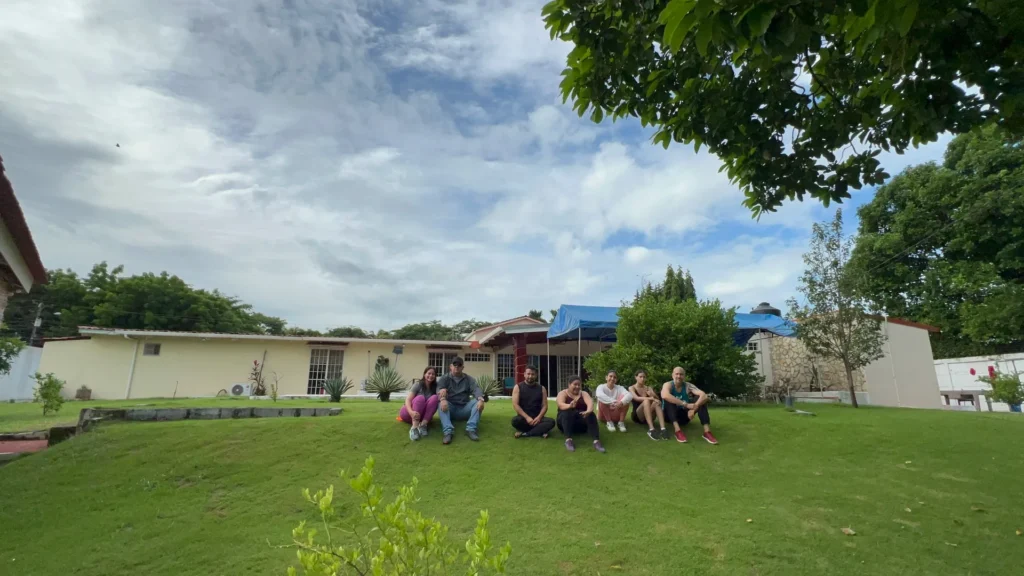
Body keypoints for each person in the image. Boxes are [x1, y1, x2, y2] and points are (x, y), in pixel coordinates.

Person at [661, 366, 718, 444]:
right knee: (669, 399)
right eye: (676, 374)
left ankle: (707, 432)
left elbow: (704, 395)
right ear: (672, 375)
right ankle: (678, 431)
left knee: (701, 399)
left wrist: (694, 408)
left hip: (684, 417)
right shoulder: (668, 385)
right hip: (668, 416)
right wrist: (685, 404)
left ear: (684, 376)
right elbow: (665, 395)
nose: (678, 376)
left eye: (681, 374)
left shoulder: (688, 386)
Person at [437, 356, 485, 444]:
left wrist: (481, 399)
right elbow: (438, 389)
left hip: (464, 408)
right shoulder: (444, 378)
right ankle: (448, 431)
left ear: (462, 367)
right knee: (441, 403)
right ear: (450, 366)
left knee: (478, 402)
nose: (457, 367)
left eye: (459, 365)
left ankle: (471, 429)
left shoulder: (469, 379)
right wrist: (442, 398)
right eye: (454, 365)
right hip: (450, 409)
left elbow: (476, 389)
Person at [555, 375, 605, 453]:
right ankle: (568, 440)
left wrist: (588, 411)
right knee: (566, 412)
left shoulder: (584, 393)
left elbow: (590, 404)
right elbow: (560, 404)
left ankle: (596, 441)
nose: (577, 387)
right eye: (575, 384)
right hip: (564, 423)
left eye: (579, 385)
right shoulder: (563, 393)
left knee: (591, 414)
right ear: (569, 384)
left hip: (580, 424)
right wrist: (569, 406)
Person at [511, 365, 555, 438]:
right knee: (515, 420)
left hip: (538, 419)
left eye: (532, 374)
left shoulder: (542, 388)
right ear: (524, 374)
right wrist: (527, 418)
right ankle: (540, 431)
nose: (530, 376)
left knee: (551, 422)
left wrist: (539, 417)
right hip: (524, 418)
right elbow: (516, 405)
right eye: (528, 374)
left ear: (536, 375)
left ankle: (526, 433)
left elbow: (545, 406)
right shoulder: (518, 387)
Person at [399, 367, 440, 441]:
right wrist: (411, 412)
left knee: (435, 397)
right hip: (409, 413)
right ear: (424, 374)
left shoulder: (436, 386)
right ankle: (414, 428)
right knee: (420, 398)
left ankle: (423, 425)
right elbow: (408, 400)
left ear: (435, 376)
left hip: (422, 416)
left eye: (433, 374)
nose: (431, 376)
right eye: (429, 373)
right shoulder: (418, 385)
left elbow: (440, 395)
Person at [628, 369, 667, 441]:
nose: (642, 379)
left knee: (657, 402)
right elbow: (636, 398)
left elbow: (658, 399)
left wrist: (653, 395)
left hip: (649, 414)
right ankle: (651, 429)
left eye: (644, 377)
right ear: (636, 377)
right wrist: (650, 398)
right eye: (640, 377)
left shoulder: (648, 388)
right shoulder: (631, 388)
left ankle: (663, 429)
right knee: (646, 400)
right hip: (638, 416)